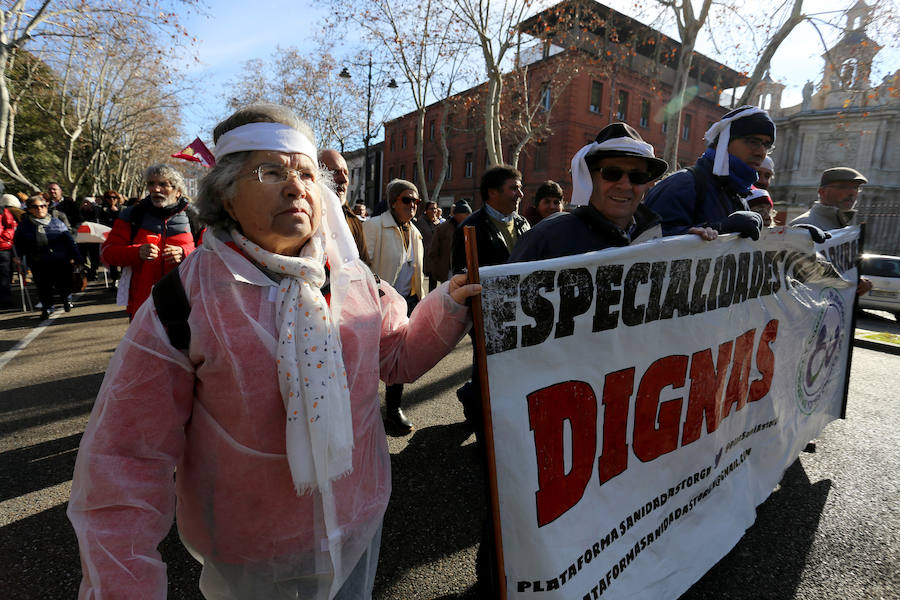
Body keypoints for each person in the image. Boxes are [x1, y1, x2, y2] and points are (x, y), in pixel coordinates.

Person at [68, 103, 479, 600]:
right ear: (225, 194)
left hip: (356, 526)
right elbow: (125, 461)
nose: (296, 186)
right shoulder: (183, 302)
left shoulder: (347, 277)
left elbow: (394, 358)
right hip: (252, 556)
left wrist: (447, 305)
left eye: (307, 173)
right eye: (270, 171)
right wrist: (122, 586)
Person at [510, 123, 717, 262]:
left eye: (637, 177)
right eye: (612, 173)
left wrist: (692, 247)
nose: (625, 185)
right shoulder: (546, 239)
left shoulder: (661, 238)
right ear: (590, 178)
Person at [451, 166, 530, 432]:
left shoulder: (522, 223)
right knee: (484, 367)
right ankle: (477, 411)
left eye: (519, 187)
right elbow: (461, 275)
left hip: (519, 310)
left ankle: (499, 417)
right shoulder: (469, 228)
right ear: (492, 192)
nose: (520, 193)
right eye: (514, 187)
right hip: (486, 312)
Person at [643, 105, 771, 240]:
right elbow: (649, 243)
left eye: (766, 145)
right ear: (723, 142)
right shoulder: (681, 185)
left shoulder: (738, 196)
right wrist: (720, 229)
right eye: (752, 141)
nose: (761, 153)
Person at [363, 179, 425, 432]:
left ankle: (393, 409)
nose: (412, 206)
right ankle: (364, 411)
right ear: (393, 202)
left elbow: (418, 271)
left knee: (397, 358)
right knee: (368, 358)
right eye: (406, 200)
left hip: (406, 303)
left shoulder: (416, 231)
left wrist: (419, 298)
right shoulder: (374, 226)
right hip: (376, 305)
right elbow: (362, 265)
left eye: (416, 201)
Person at [100, 164, 195, 319]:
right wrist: (136, 252)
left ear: (178, 192)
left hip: (187, 305)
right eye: (151, 184)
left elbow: (213, 253)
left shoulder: (195, 217)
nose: (156, 189)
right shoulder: (132, 215)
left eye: (163, 184)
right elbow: (107, 253)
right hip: (143, 306)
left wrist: (186, 254)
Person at [13, 195, 81, 319]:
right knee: (43, 285)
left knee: (63, 283)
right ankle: (47, 308)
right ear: (29, 209)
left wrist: (76, 257)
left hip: (60, 260)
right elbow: (18, 242)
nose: (40, 209)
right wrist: (17, 256)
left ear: (46, 206)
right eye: (35, 207)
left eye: (43, 206)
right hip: (38, 260)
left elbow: (69, 241)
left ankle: (66, 299)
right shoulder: (24, 226)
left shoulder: (57, 222)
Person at [319, 149, 370, 265]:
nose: (344, 179)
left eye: (346, 173)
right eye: (335, 172)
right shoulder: (305, 217)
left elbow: (364, 267)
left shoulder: (354, 222)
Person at [791, 167, 867, 230]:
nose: (852, 193)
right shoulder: (804, 225)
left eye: (856, 188)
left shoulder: (842, 224)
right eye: (843, 187)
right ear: (822, 192)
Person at [428, 200, 471, 287]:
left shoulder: (470, 227)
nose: (468, 216)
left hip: (466, 269)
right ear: (458, 214)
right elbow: (434, 251)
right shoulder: (443, 228)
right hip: (448, 270)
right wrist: (436, 270)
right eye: (466, 213)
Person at [414, 199, 440, 292]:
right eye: (431, 208)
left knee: (433, 282)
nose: (434, 211)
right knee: (419, 280)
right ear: (426, 210)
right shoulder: (420, 222)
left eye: (435, 208)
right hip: (422, 256)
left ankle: (431, 301)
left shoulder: (438, 222)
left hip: (434, 257)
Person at [0, 196, 16, 308]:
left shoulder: (2, 210)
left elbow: (12, 226)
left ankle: (5, 301)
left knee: (4, 276)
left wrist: (3, 238)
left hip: (3, 249)